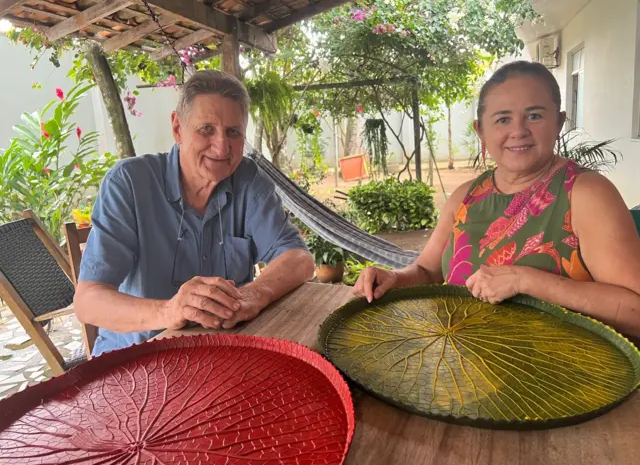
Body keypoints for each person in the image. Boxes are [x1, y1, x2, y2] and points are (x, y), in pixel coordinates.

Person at [354, 61, 640, 339]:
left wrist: (526, 281)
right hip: (463, 366)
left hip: (559, 378)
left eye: (534, 116)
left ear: (559, 122)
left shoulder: (585, 194)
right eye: (503, 119)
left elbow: (636, 311)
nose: (518, 131)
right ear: (481, 130)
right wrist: (393, 278)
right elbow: (427, 271)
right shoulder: (466, 196)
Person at [75, 70, 314, 356]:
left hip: (219, 355)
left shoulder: (249, 180)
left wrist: (254, 294)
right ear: (177, 128)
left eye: (233, 132)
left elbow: (298, 259)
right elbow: (88, 301)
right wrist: (169, 311)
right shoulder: (129, 183)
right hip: (135, 361)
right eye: (206, 129)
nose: (222, 146)